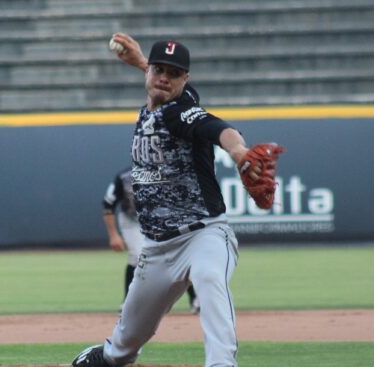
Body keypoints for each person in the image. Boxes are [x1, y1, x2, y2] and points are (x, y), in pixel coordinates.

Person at [73, 33, 276, 367]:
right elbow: (161, 84)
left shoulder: (181, 114)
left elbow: (217, 128)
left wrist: (239, 152)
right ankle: (107, 355)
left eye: (174, 73)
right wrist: (140, 61)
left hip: (203, 234)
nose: (164, 77)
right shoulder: (156, 104)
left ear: (186, 80)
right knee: (123, 346)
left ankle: (221, 363)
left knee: (210, 277)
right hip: (156, 249)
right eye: (158, 69)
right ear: (149, 71)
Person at [103, 166, 199, 313]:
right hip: (131, 220)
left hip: (160, 217)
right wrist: (113, 235)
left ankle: (195, 300)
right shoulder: (124, 177)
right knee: (137, 257)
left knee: (178, 256)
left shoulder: (168, 173)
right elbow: (108, 205)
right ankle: (127, 302)